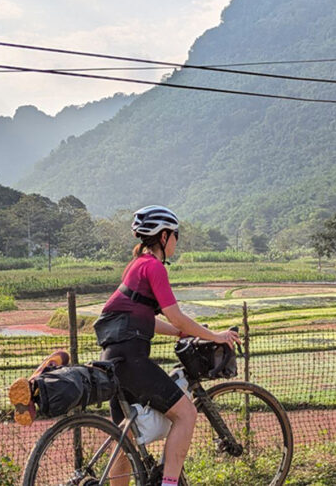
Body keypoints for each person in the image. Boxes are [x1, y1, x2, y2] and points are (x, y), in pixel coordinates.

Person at [94, 205, 239, 486]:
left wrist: (177, 333)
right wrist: (216, 336)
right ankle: (169, 484)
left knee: (125, 438)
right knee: (186, 413)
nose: (176, 241)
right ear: (163, 237)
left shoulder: (137, 265)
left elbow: (143, 318)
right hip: (132, 359)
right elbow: (176, 315)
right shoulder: (154, 267)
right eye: (175, 235)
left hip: (113, 357)